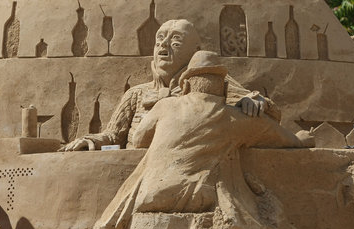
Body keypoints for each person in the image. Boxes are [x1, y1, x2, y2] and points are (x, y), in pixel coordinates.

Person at [94, 51, 303, 229]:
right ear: (224, 86)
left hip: (150, 194)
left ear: (187, 83)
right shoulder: (236, 119)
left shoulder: (164, 106)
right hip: (199, 198)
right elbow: (285, 137)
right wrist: (298, 136)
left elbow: (139, 139)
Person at [61, 19, 280, 151]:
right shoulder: (136, 94)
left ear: (195, 52)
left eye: (175, 42)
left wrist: (255, 102)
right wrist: (90, 140)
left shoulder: (209, 85)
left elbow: (264, 110)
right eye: (159, 41)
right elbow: (113, 136)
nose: (164, 46)